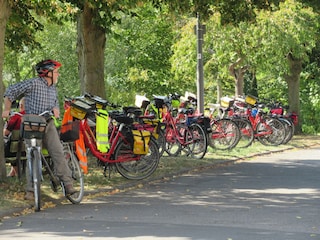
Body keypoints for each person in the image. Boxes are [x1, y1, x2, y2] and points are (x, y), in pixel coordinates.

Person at [2, 59, 77, 200]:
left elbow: (55, 105)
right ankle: (31, 191)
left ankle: (68, 184)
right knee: (32, 155)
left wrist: (56, 109)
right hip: (32, 124)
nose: (58, 75)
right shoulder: (33, 83)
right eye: (56, 72)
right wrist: (6, 109)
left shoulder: (53, 88)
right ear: (47, 73)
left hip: (48, 123)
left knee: (57, 152)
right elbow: (11, 91)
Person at [3, 97, 25, 177]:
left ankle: (18, 173)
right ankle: (13, 172)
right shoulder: (34, 117)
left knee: (7, 149)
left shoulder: (16, 117)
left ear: (21, 106)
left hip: (15, 150)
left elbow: (6, 133)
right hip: (28, 149)